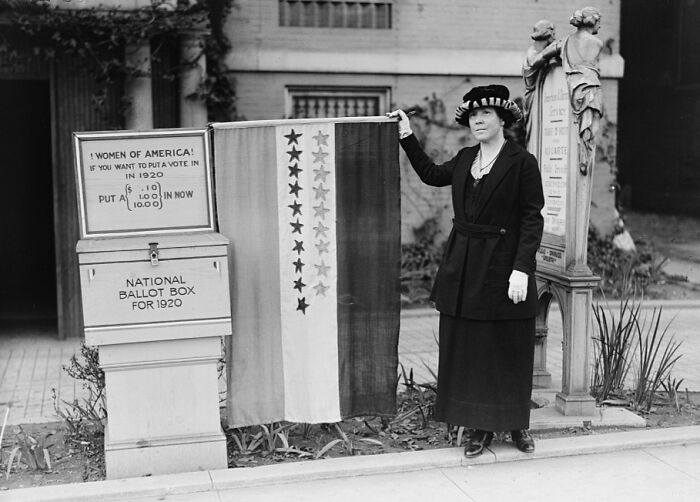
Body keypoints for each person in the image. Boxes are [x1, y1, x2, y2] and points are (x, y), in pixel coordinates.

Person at [388, 84, 544, 457]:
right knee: (472, 348)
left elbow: (531, 219)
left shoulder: (522, 162)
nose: (477, 120)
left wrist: (522, 269)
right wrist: (407, 136)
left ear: (502, 119)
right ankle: (479, 428)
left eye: (485, 114)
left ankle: (516, 424)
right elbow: (429, 174)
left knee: (507, 346)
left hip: (505, 265)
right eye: (473, 115)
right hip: (464, 264)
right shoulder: (464, 158)